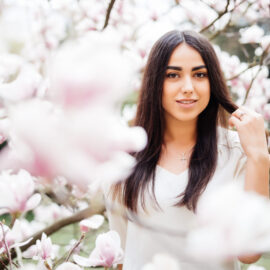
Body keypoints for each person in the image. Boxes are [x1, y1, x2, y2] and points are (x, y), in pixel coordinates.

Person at [105, 30, 270, 270]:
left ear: (212, 81)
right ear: (154, 82)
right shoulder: (124, 157)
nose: (188, 87)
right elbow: (121, 256)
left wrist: (259, 156)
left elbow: (248, 252)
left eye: (200, 74)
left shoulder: (238, 151)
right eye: (173, 75)